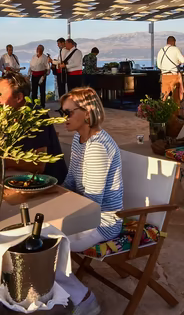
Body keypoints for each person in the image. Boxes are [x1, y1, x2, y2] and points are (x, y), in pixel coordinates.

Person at [56, 87, 123, 314]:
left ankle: (85, 300)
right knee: (35, 234)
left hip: (101, 223)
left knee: (42, 247)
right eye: (62, 112)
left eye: (68, 112)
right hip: (86, 216)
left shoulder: (97, 148)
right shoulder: (80, 138)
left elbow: (91, 204)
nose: (63, 117)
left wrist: (57, 212)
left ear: (87, 112)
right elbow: (71, 181)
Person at [0, 73, 68, 184]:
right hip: (22, 180)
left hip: (48, 184)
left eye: (0, 95)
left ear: (19, 98)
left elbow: (38, 164)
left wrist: (0, 162)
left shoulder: (35, 116)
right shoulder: (9, 116)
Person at [156, 36, 184, 132]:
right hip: (174, 76)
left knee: (164, 97)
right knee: (175, 98)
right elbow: (183, 61)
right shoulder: (175, 49)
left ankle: (162, 117)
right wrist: (183, 64)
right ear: (173, 42)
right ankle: (175, 119)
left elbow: (158, 65)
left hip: (164, 76)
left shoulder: (161, 50)